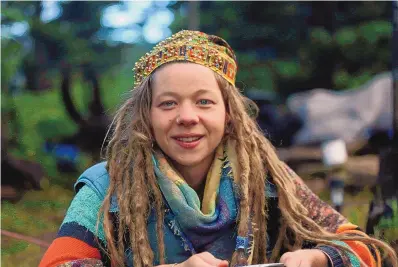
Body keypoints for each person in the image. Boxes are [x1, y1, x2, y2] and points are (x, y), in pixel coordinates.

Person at [40, 30, 397, 267]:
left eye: (204, 102)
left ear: (229, 116)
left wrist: (319, 258)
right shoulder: (107, 187)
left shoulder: (266, 178)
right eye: (168, 104)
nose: (187, 117)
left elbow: (363, 247)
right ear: (145, 117)